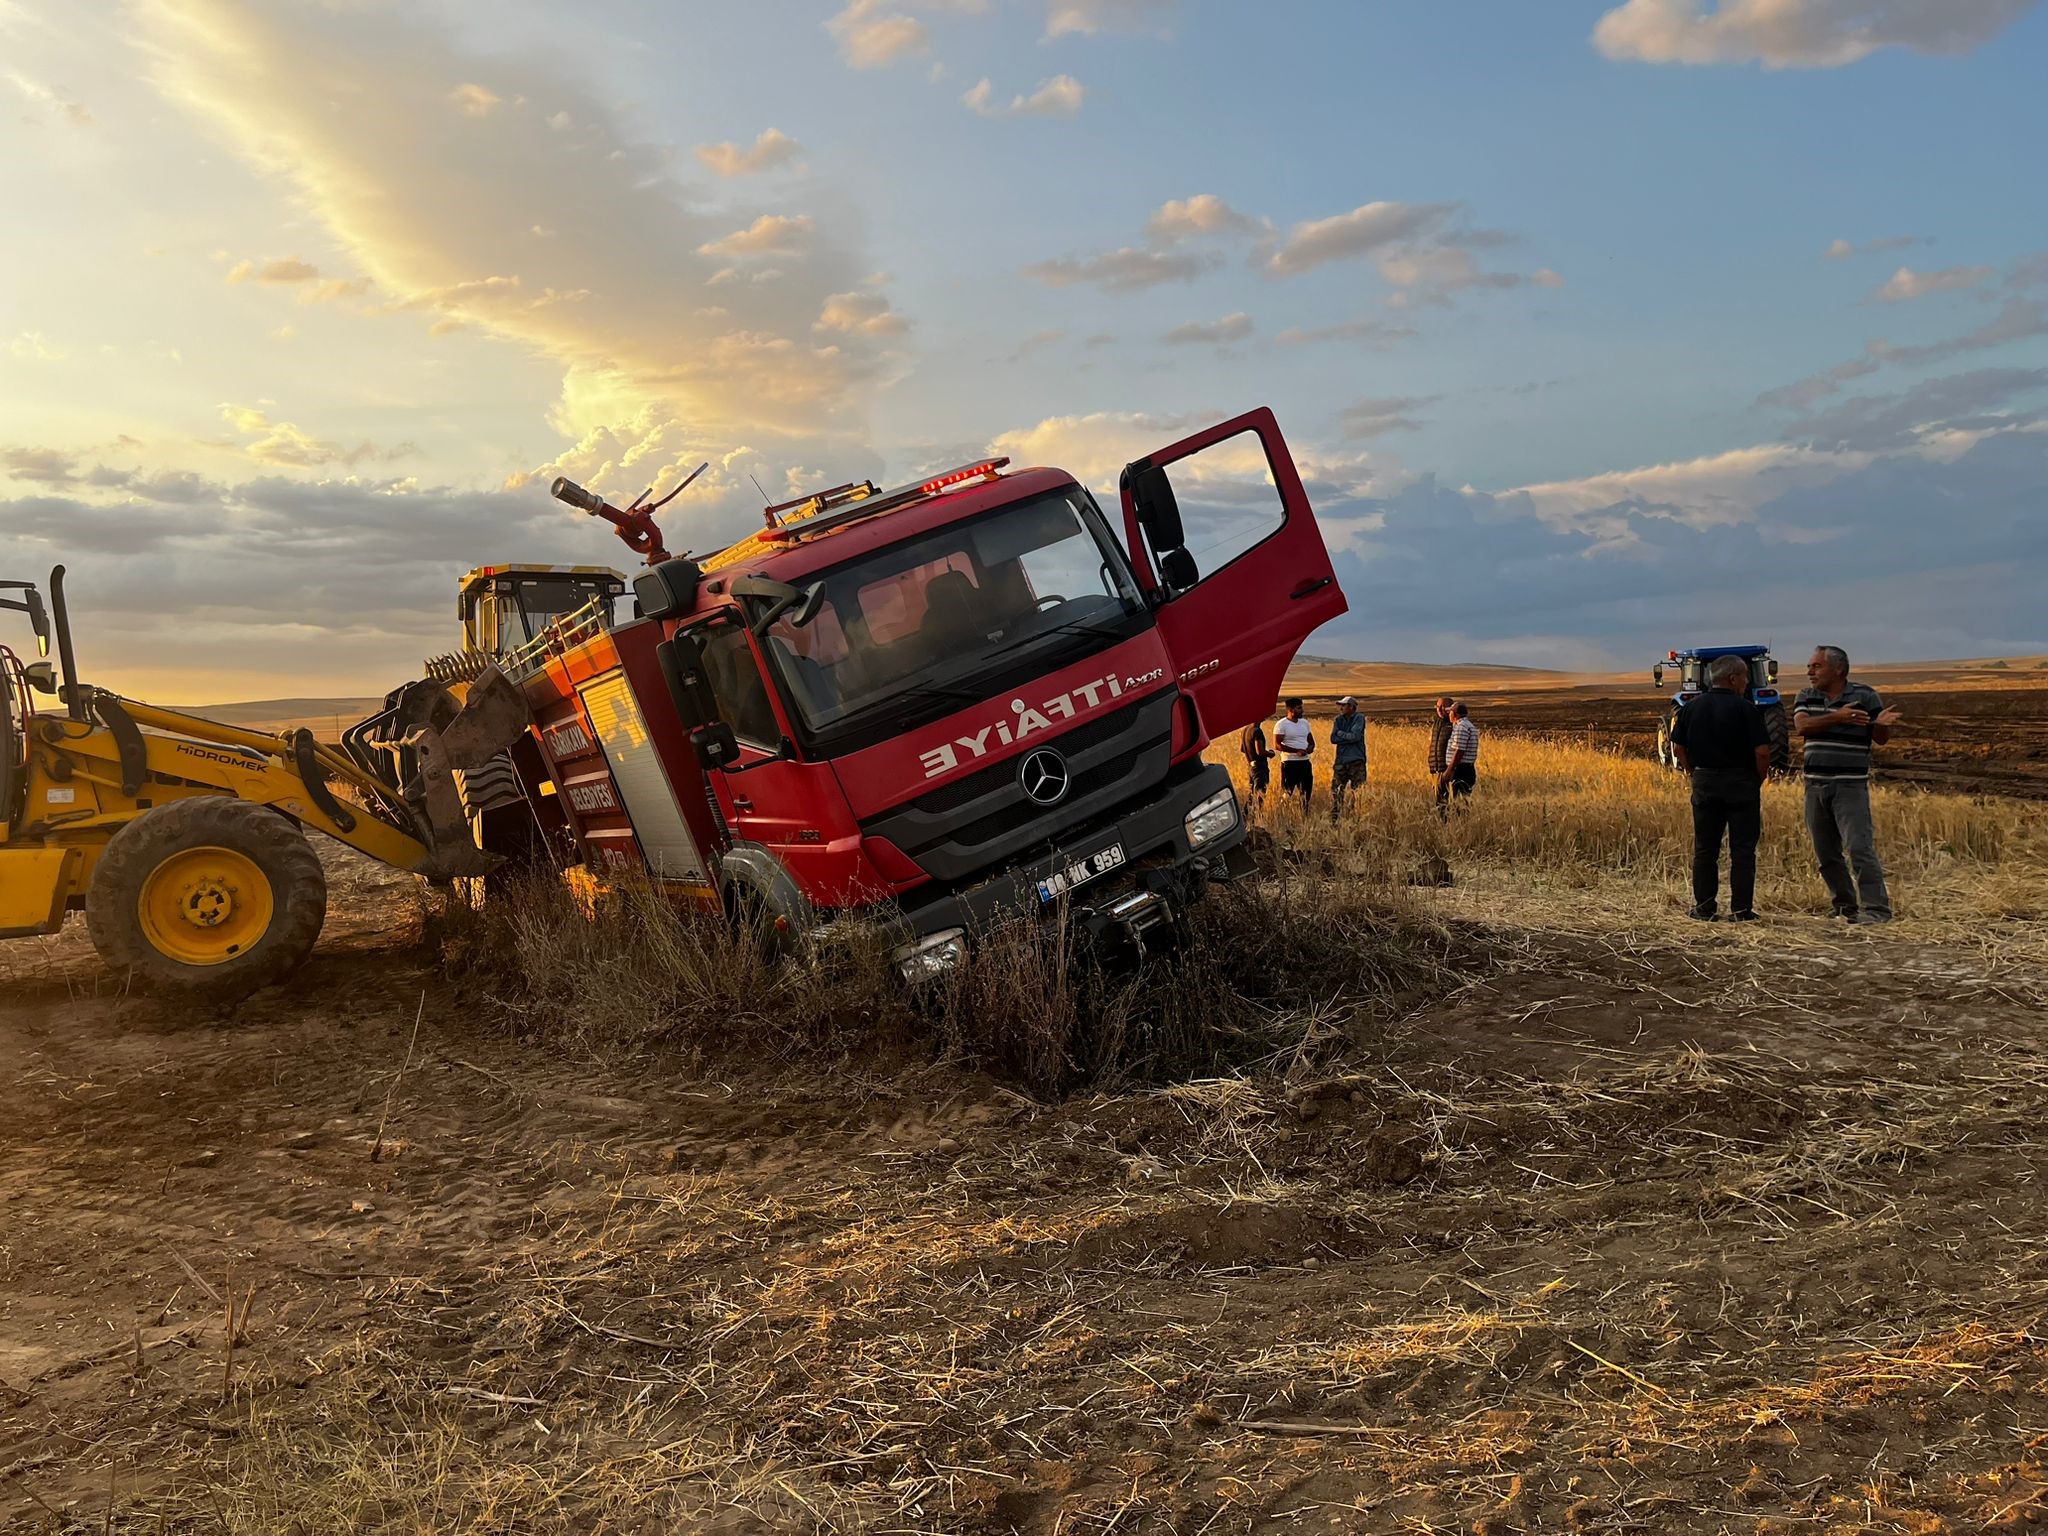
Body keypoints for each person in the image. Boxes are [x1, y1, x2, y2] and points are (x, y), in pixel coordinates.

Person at [1793, 645, 1901, 924]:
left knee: (1859, 847)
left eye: (1816, 666)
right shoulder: (1806, 695)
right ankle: (1844, 906)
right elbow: (1802, 727)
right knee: (1826, 852)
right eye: (1810, 666)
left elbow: (1880, 738)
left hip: (1850, 786)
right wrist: (1838, 717)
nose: (1809, 672)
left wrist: (1881, 724)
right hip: (1814, 785)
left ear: (1838, 669)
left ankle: (1876, 909)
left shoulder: (1865, 695)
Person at [1670, 654, 1771, 922]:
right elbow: (1762, 751)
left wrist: (1694, 772)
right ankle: (1741, 910)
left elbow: (1678, 747)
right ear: (1733, 678)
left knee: (1705, 849)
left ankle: (1704, 908)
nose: (1746, 683)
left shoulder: (1690, 708)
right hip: (1741, 783)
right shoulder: (1746, 708)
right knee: (1742, 850)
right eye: (1745, 677)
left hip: (1705, 782)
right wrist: (1757, 779)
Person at [1436, 702, 1478, 816]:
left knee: (1459, 803)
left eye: (1450, 712)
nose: (1448, 714)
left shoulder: (1461, 727)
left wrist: (1450, 769)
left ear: (1455, 714)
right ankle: (1464, 823)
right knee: (1463, 801)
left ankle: (1461, 825)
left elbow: (1459, 750)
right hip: (1467, 769)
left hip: (1460, 770)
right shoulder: (1469, 725)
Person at [1329, 696, 1367, 818]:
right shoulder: (1338, 720)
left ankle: (1356, 817)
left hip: (1356, 761)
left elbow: (1355, 736)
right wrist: (1347, 736)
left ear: (1351, 707)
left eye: (1344, 705)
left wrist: (1340, 733)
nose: (1341, 708)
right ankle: (1336, 818)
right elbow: (1333, 739)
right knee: (1337, 792)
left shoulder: (1359, 718)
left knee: (1358, 793)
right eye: (1340, 705)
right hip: (1341, 762)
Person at [1273, 697, 1314, 807]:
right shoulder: (1281, 724)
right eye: (1299, 708)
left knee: (1306, 790)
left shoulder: (1305, 723)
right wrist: (1296, 751)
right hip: (1290, 763)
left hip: (1305, 762)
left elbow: (1311, 741)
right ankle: (1282, 811)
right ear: (1290, 710)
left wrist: (1309, 749)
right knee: (1288, 791)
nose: (1302, 710)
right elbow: (1277, 745)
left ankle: (1304, 813)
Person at [1238, 718, 1273, 809]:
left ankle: (1246, 815)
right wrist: (1270, 753)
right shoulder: (1257, 731)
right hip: (1259, 767)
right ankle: (1257, 815)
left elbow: (1242, 749)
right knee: (1260, 793)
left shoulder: (1245, 729)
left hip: (1251, 766)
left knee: (1252, 793)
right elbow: (1260, 751)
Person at [1427, 696, 1455, 780]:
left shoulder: (1455, 723)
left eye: (1443, 707)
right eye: (1437, 707)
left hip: (1449, 770)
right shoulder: (1436, 723)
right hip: (1435, 769)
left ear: (1450, 708)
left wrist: (1450, 769)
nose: (1439, 710)